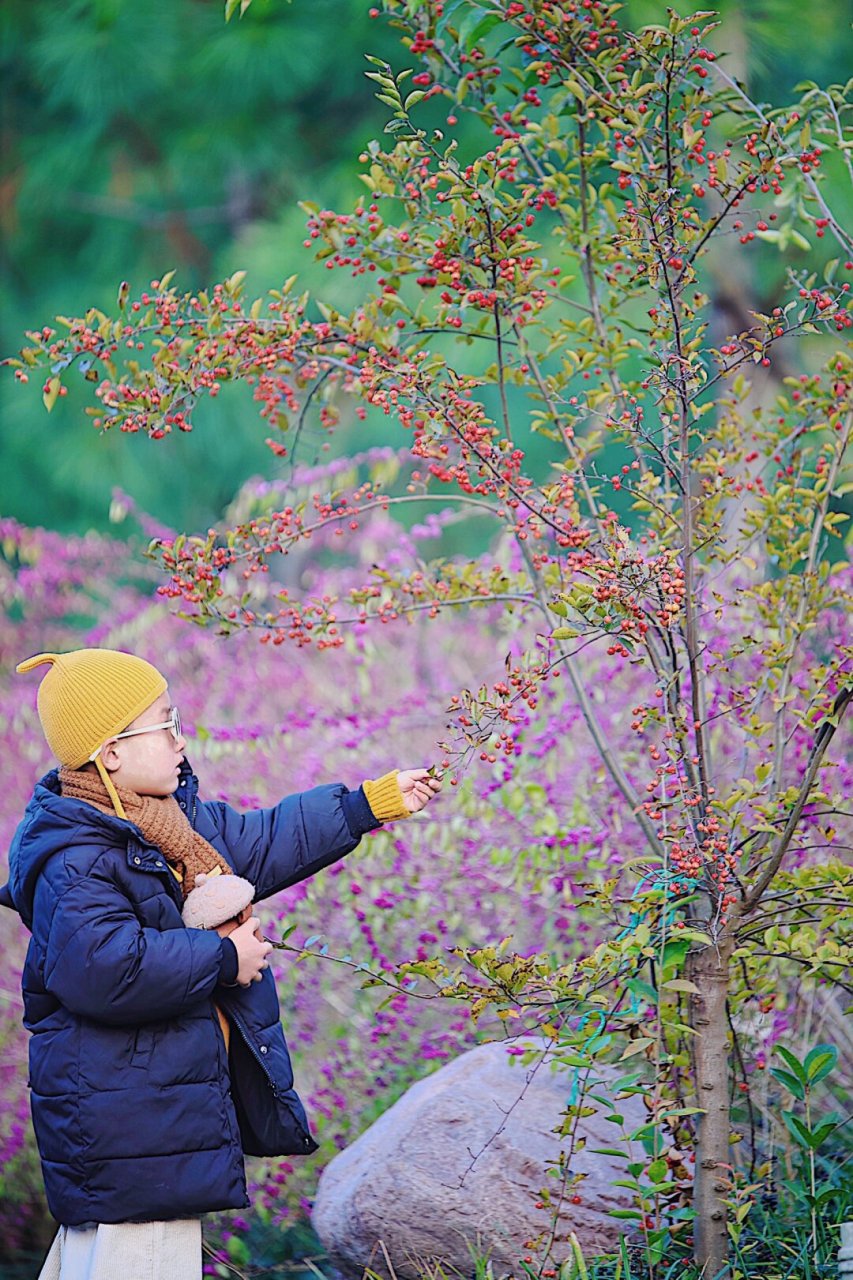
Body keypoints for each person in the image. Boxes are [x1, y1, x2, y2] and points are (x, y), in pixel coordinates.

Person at [2, 648, 441, 1280]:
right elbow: (105, 970)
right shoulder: (76, 857)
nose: (182, 740)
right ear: (113, 752)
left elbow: (263, 841)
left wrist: (366, 805)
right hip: (127, 1123)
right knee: (138, 1258)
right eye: (166, 724)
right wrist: (223, 957)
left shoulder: (175, 828)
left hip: (156, 1113)